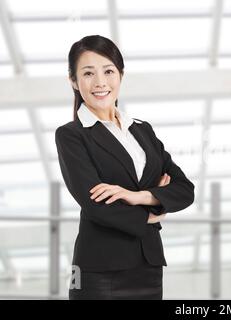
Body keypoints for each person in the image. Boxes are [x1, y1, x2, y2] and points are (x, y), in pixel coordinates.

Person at [55, 35, 195, 300]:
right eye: (88, 73)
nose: (100, 82)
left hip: (149, 268)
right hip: (99, 271)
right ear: (73, 81)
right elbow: (94, 202)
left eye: (108, 71)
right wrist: (150, 215)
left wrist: (139, 196)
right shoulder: (72, 135)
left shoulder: (142, 131)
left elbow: (185, 189)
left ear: (120, 75)